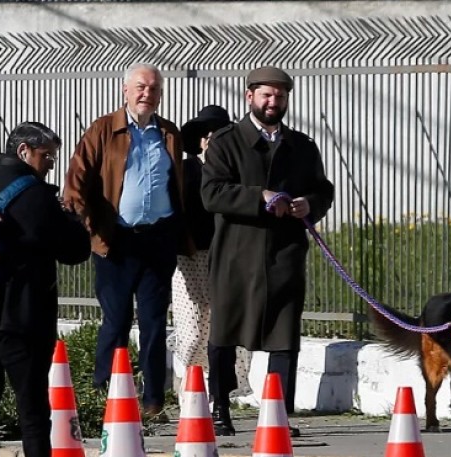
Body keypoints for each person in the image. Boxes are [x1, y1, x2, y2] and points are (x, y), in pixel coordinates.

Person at [201, 66, 335, 436]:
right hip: (235, 254)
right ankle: (220, 408)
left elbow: (323, 189)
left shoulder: (303, 146)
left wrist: (311, 204)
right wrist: (257, 197)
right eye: (266, 95)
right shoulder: (226, 142)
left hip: (285, 252)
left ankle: (277, 413)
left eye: (280, 96)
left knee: (284, 335)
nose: (273, 102)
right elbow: (211, 193)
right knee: (225, 333)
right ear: (250, 97)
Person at [0, 122, 91, 457]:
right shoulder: (35, 195)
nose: (51, 164)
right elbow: (74, 251)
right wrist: (74, 220)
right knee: (32, 411)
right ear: (24, 151)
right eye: (46, 156)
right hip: (22, 320)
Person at [63, 62, 190, 421]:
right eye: (140, 87)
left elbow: (175, 183)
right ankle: (106, 394)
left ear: (160, 95)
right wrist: (85, 222)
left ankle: (152, 401)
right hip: (115, 240)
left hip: (158, 240)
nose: (146, 94)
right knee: (116, 320)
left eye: (153, 89)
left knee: (153, 321)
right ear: (125, 90)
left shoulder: (168, 133)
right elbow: (77, 179)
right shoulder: (104, 129)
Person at [170, 104, 253, 410]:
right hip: (191, 259)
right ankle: (187, 385)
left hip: (229, 258)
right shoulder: (186, 170)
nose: (211, 139)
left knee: (224, 331)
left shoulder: (237, 173)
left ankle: (222, 395)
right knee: (192, 332)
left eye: (217, 134)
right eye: (206, 135)